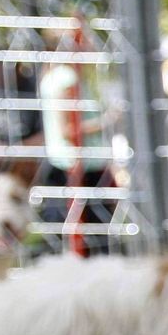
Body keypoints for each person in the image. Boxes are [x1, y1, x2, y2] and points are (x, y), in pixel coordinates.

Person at [39, 25, 118, 255]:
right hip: (80, 167)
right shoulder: (67, 77)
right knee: (93, 240)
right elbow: (69, 128)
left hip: (65, 163)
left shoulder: (51, 74)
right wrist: (106, 120)